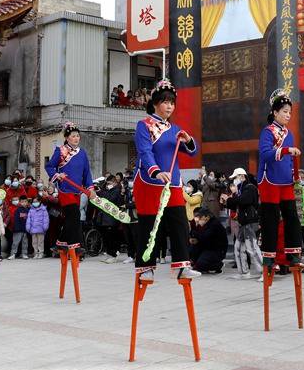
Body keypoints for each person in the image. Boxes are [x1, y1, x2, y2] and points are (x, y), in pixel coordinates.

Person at [130, 79, 199, 280]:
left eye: (172, 103)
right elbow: (145, 151)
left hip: (173, 182)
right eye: (165, 102)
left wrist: (188, 140)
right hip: (150, 182)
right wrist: (155, 171)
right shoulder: (144, 125)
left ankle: (181, 265)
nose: (169, 106)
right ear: (155, 103)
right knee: (150, 224)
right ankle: (146, 268)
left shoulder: (175, 128)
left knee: (179, 223)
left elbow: (192, 152)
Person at [257, 89, 304, 272]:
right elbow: (265, 154)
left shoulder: (289, 133)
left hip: (285, 181)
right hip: (270, 180)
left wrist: (295, 176)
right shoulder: (267, 132)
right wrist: (285, 151)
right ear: (275, 113)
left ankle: (293, 255)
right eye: (284, 111)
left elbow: (291, 160)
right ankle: (269, 257)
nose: (288, 115)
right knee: (271, 218)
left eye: (289, 112)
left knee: (292, 216)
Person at [45, 122, 93, 254]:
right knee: (74, 214)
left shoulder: (82, 153)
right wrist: (56, 175)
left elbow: (86, 172)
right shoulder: (60, 151)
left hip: (77, 190)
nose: (76, 138)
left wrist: (90, 188)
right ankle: (74, 245)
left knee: (72, 218)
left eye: (78, 136)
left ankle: (60, 242)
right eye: (73, 136)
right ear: (67, 138)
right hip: (65, 188)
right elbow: (49, 166)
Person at [224, 168, 262, 279]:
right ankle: (244, 272)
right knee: (238, 248)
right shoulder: (241, 189)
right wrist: (227, 201)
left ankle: (264, 271)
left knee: (252, 248)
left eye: (235, 177)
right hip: (243, 222)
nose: (234, 181)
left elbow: (244, 201)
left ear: (242, 176)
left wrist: (230, 200)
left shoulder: (249, 188)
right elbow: (237, 204)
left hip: (250, 222)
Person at [189, 208, 227, 274]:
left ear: (207, 217)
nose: (199, 219)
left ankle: (217, 265)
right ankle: (197, 263)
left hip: (217, 250)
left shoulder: (214, 224)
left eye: (201, 217)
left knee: (201, 263)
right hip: (207, 246)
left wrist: (195, 234)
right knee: (192, 249)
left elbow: (205, 236)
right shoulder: (205, 223)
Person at [97, 175, 124, 264]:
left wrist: (101, 192)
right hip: (105, 217)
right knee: (106, 237)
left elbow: (110, 199)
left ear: (114, 183)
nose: (107, 185)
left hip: (112, 217)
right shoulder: (107, 190)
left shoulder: (117, 190)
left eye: (109, 183)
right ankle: (109, 254)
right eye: (107, 183)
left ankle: (113, 255)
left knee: (112, 237)